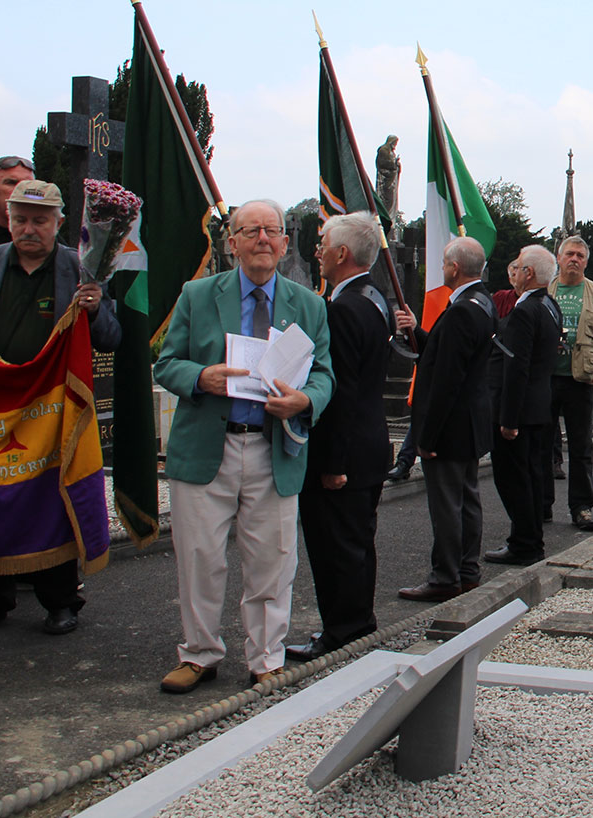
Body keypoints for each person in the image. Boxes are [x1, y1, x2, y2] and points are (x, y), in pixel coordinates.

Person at [153, 198, 333, 694]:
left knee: (273, 558)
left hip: (273, 449)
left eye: (271, 231)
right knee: (199, 556)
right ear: (230, 243)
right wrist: (201, 376)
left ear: (284, 243)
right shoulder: (196, 295)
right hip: (209, 446)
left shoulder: (310, 305)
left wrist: (303, 400)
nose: (261, 239)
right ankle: (199, 653)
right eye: (249, 230)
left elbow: (324, 374)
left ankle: (266, 657)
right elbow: (167, 363)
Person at [0, 180, 120, 636]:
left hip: (52, 415)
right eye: (19, 218)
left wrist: (97, 308)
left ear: (59, 223)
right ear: (7, 218)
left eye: (39, 220)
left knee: (50, 506)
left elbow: (111, 338)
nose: (28, 228)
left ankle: (61, 600)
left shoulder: (81, 269)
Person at [285, 213, 394, 663]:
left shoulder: (344, 308)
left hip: (345, 453)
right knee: (356, 544)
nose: (317, 250)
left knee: (337, 548)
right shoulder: (374, 298)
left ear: (342, 254)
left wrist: (332, 463)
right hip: (369, 443)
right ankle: (358, 625)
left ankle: (342, 633)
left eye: (323, 242)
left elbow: (341, 392)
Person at [397, 236, 497, 603]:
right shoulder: (481, 302)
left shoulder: (461, 310)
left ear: (455, 267)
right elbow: (450, 353)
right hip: (469, 422)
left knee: (447, 505)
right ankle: (467, 569)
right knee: (467, 499)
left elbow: (446, 379)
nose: (442, 268)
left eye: (443, 263)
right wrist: (419, 333)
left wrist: (428, 435)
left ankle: (445, 575)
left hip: (450, 425)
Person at [486, 245, 563, 567]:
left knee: (514, 479)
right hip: (539, 406)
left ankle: (524, 543)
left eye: (517, 266)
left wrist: (508, 418)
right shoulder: (550, 305)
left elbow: (517, 368)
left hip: (519, 409)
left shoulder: (523, 311)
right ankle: (530, 540)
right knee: (531, 476)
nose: (513, 271)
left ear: (528, 273)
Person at [544, 236, 593, 532]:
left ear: (586, 262)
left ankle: (581, 507)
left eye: (580, 255)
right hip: (546, 378)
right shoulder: (543, 289)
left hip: (580, 380)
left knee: (581, 446)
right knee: (540, 445)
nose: (574, 259)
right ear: (558, 258)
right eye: (569, 254)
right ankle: (541, 504)